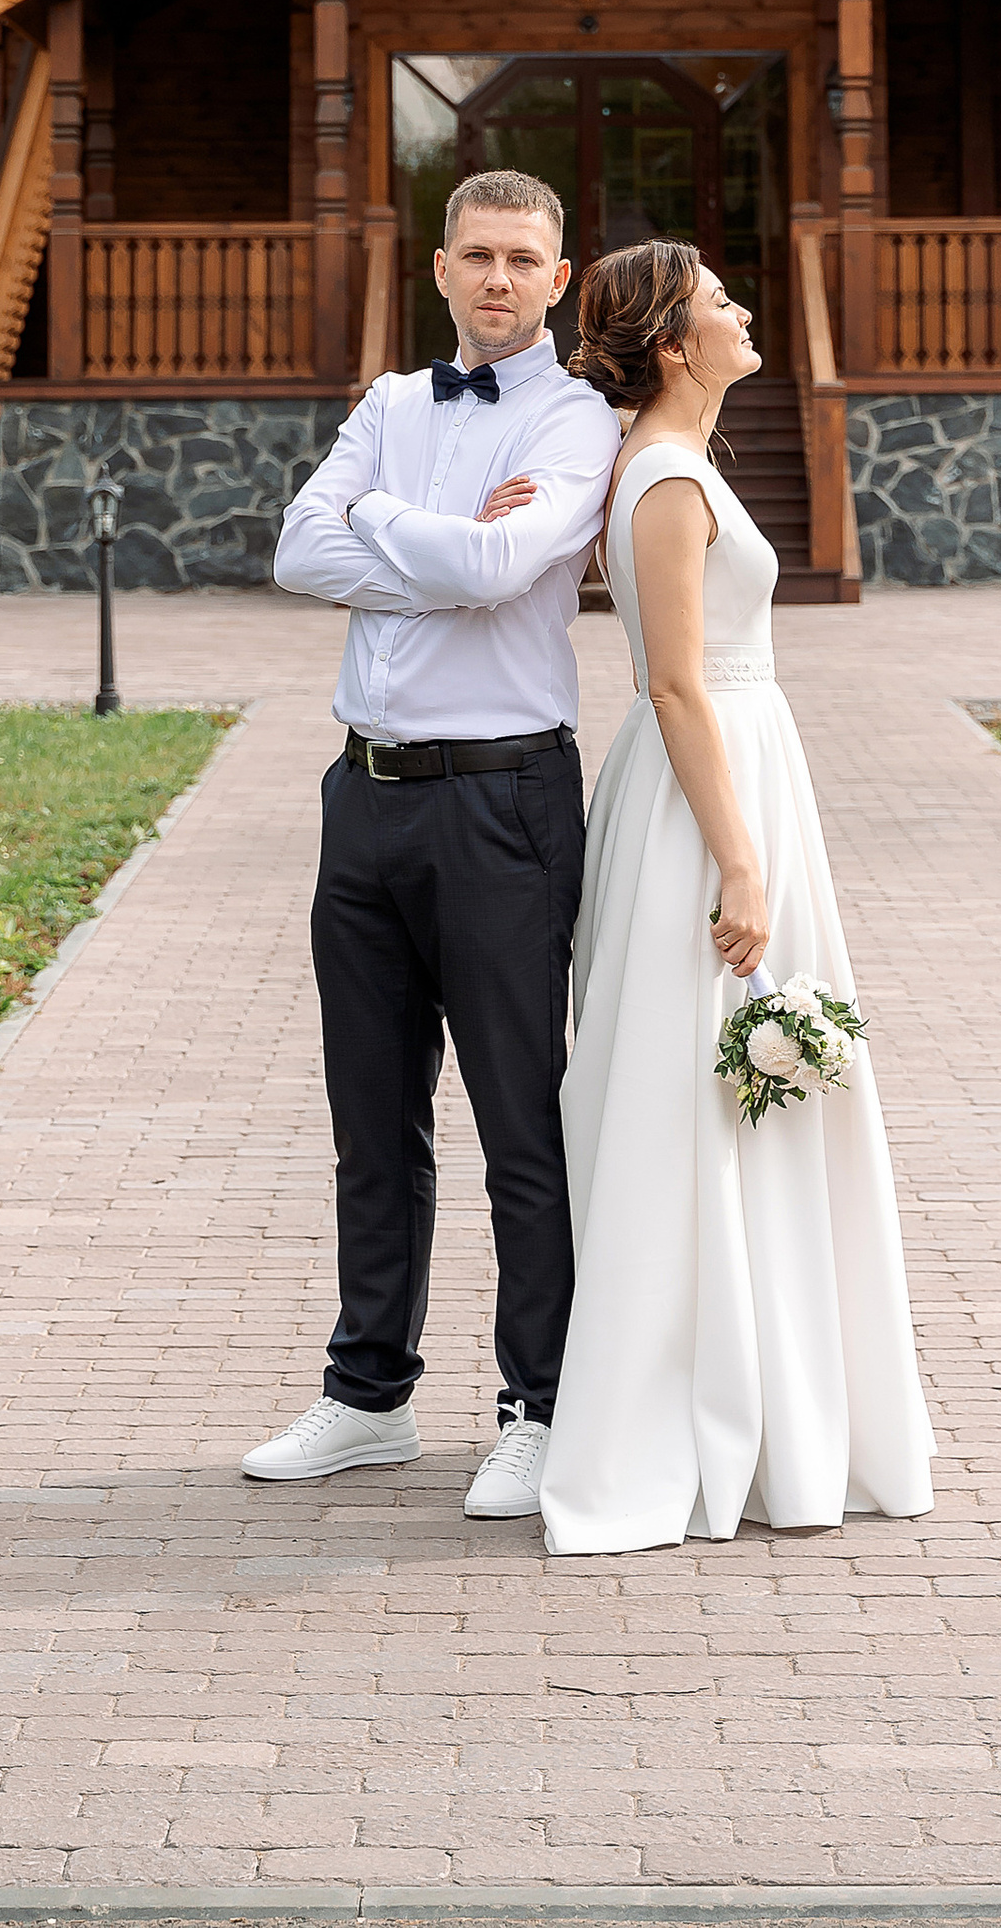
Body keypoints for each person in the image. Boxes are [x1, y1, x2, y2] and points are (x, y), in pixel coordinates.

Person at [539, 238, 932, 1556]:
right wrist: (742, 862)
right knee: (687, 1094)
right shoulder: (658, 475)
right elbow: (671, 683)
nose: (744, 309)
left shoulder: (688, 461)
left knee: (766, 1089)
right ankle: (684, 1414)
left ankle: (784, 1412)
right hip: (700, 804)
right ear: (670, 340)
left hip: (751, 776)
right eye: (718, 300)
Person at [251, 168, 622, 1521]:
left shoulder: (585, 422)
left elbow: (495, 576)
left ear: (560, 276)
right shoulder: (393, 405)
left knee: (520, 1116)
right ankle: (368, 1399)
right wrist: (439, 541)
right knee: (372, 1116)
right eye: (476, 255)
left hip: (504, 804)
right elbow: (295, 553)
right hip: (366, 798)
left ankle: (539, 1404)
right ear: (441, 268)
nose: (498, 280)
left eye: (525, 258)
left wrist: (389, 529)